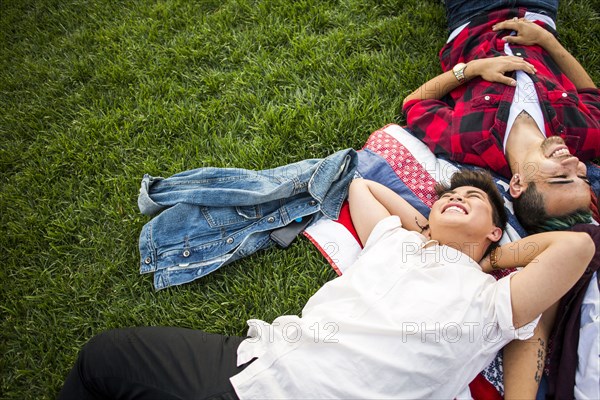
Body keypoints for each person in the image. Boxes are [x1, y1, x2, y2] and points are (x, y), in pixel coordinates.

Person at [58, 170, 594, 399]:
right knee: (104, 357)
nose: (460, 197)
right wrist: (427, 230)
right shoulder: (393, 241)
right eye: (451, 193)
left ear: (496, 229)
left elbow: (578, 246)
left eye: (475, 201)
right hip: (261, 359)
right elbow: (362, 184)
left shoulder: (492, 300)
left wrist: (491, 257)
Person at [402, 0, 600, 233]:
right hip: (537, 12)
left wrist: (472, 69)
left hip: (473, 17)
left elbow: (415, 102)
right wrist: (546, 39)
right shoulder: (587, 137)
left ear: (518, 183)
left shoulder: (468, 141)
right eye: (583, 178)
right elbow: (591, 95)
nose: (575, 164)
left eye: (561, 177)